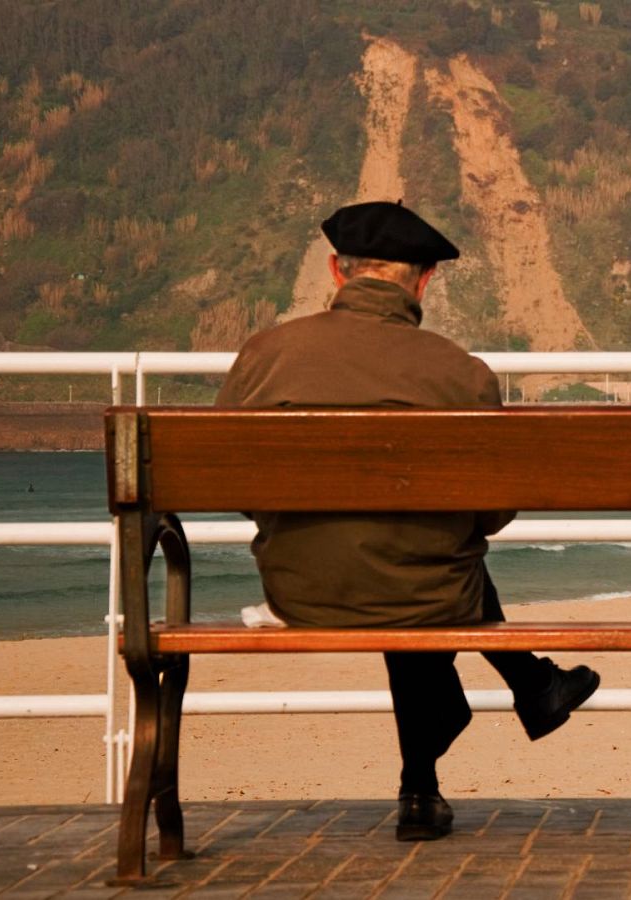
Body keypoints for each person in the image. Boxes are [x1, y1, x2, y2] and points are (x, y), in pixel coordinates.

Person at [216, 201, 600, 842]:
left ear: (339, 273)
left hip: (304, 591)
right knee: (423, 566)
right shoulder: (462, 374)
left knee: (394, 559)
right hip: (429, 591)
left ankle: (436, 774)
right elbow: (493, 512)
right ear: (424, 281)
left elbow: (233, 482)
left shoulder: (265, 355)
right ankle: (501, 710)